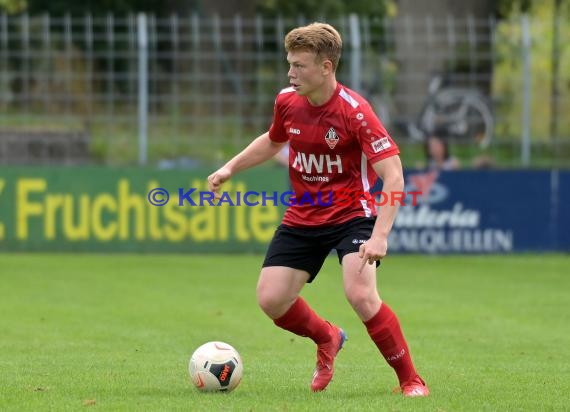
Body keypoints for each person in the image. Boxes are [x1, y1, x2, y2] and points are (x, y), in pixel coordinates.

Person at [208, 22, 429, 397]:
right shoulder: (287, 101)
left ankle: (411, 380)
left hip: (351, 214)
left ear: (327, 67)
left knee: (360, 294)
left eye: (300, 66)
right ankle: (328, 337)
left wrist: (380, 235)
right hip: (304, 213)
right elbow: (273, 140)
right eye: (289, 64)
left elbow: (393, 176)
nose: (291, 73)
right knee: (271, 299)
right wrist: (231, 167)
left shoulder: (356, 112)